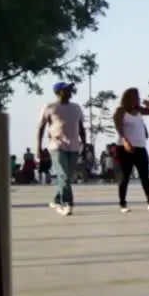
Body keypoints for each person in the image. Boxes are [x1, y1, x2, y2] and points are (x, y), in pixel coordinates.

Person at [37, 82, 87, 216]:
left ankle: (55, 200)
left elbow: (81, 127)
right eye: (67, 90)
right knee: (64, 176)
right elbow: (41, 128)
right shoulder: (50, 107)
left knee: (67, 178)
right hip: (57, 145)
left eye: (71, 90)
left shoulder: (76, 108)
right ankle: (68, 203)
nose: (70, 92)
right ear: (59, 92)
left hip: (74, 146)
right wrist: (38, 148)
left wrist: (86, 145)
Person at [113, 87, 149, 213]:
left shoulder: (138, 110)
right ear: (129, 98)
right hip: (125, 148)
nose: (138, 99)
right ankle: (123, 204)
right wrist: (125, 140)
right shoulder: (121, 111)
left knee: (144, 176)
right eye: (136, 96)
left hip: (141, 148)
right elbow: (118, 125)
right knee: (125, 177)